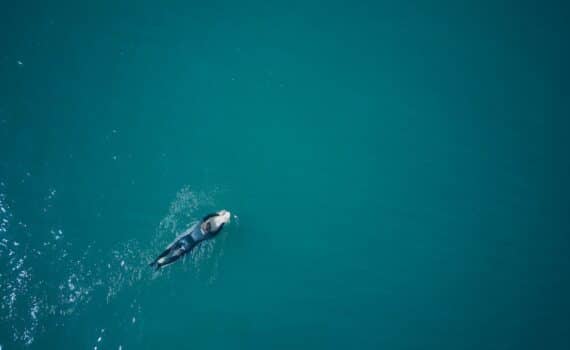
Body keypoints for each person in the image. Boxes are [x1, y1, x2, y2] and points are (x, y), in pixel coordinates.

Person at [149, 210, 231, 271]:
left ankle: (155, 261)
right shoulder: (208, 235)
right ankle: (160, 264)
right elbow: (217, 231)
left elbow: (208, 216)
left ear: (204, 224)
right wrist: (223, 223)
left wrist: (217, 214)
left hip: (184, 239)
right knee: (175, 257)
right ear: (208, 230)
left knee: (169, 250)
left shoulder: (200, 224)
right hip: (188, 246)